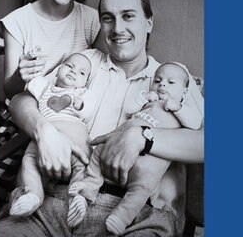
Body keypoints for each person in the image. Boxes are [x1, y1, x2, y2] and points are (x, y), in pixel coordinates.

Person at [0, 0, 204, 236]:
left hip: (132, 214)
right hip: (54, 198)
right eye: (107, 18)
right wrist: (43, 130)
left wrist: (142, 138)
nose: (117, 28)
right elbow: (20, 100)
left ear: (149, 22)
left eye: (128, 16)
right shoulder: (85, 62)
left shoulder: (171, 78)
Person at [67, 62, 203, 235]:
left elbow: (195, 123)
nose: (162, 84)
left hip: (148, 161)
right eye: (158, 81)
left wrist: (179, 108)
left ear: (184, 92)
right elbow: (130, 109)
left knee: (142, 187)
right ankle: (87, 188)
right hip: (115, 148)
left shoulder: (183, 109)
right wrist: (144, 97)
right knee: (99, 150)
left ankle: (121, 217)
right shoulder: (149, 101)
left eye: (171, 83)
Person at [9, 53, 98, 219]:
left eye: (81, 73)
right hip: (44, 139)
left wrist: (80, 104)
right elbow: (27, 84)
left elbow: (88, 110)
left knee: (84, 165)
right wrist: (30, 65)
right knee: (28, 161)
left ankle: (78, 197)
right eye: (69, 66)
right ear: (58, 70)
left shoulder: (82, 93)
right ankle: (33, 195)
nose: (73, 72)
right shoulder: (44, 86)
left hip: (75, 138)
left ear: (85, 82)